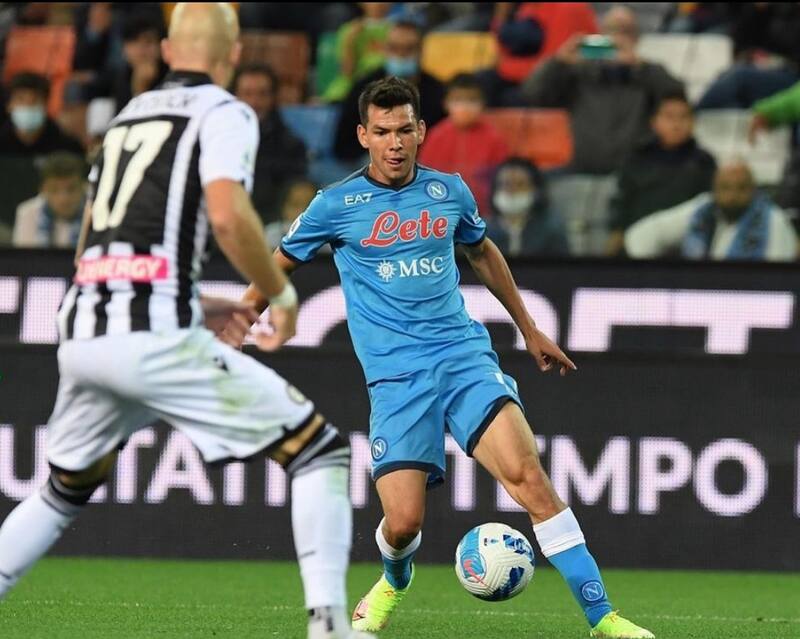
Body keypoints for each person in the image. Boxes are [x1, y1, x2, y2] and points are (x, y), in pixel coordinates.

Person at [228, 77, 655, 639]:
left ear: (422, 130)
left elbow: (482, 251)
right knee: (403, 524)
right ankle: (395, 579)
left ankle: (603, 618)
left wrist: (529, 328)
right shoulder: (335, 205)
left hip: (463, 359)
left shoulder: (448, 191)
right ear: (363, 135)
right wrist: (238, 324)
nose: (395, 142)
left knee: (530, 478)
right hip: (396, 378)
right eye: (383, 131)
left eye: (405, 129)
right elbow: (278, 263)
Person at [0, 6, 371, 639]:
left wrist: (197, 302)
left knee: (64, 489)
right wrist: (278, 292)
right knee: (320, 452)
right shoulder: (224, 112)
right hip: (150, 337)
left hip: (85, 326)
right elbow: (227, 215)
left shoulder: (126, 116)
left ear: (169, 50)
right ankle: (331, 629)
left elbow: (94, 245)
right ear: (233, 54)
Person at [520, 5, 684, 174]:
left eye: (626, 31)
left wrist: (640, 67)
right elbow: (533, 94)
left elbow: (678, 98)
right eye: (612, 30)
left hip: (632, 174)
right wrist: (558, 62)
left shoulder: (647, 74)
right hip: (582, 169)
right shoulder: (579, 72)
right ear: (600, 35)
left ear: (636, 39)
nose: (617, 38)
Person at [607, 92, 716, 256]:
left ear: (693, 122)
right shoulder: (637, 158)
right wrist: (617, 232)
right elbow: (622, 200)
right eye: (669, 117)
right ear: (654, 122)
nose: (677, 124)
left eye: (683, 117)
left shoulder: (704, 162)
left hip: (687, 246)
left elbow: (707, 208)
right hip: (637, 244)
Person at [625, 160, 798, 261]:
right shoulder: (703, 208)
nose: (733, 195)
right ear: (714, 189)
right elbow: (641, 234)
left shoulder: (774, 220)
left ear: (754, 190)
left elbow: (778, 272)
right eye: (725, 187)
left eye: (742, 188)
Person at [333, 19, 445, 162]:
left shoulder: (437, 92)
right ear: (385, 49)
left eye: (409, 49)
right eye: (394, 48)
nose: (401, 54)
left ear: (421, 51)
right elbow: (343, 145)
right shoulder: (363, 88)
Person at [418, 73, 509, 214]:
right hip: (440, 211)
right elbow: (423, 177)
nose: (465, 106)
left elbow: (502, 178)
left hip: (483, 212)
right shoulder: (436, 136)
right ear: (446, 103)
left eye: (472, 100)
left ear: (483, 103)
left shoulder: (494, 138)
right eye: (458, 99)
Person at [476, 2, 598, 107]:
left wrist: (507, 67)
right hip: (528, 73)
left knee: (510, 98)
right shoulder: (528, 7)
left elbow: (554, 61)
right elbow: (504, 46)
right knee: (483, 82)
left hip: (555, 81)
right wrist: (502, 12)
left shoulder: (569, 7)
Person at [232, 63, 309, 223]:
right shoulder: (218, 141)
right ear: (235, 97)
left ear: (273, 97)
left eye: (262, 94)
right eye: (247, 94)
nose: (254, 102)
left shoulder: (291, 146)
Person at [486, 157, 569, 257]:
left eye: (520, 184)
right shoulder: (482, 232)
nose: (511, 190)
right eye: (505, 184)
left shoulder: (551, 232)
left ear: (535, 190)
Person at [0, 72, 84, 158]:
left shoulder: (68, 147)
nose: (28, 105)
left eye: (35, 100)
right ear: (8, 106)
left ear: (46, 104)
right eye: (21, 99)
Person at [13, 152, 87, 248]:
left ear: (84, 187)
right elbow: (22, 256)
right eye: (54, 189)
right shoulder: (27, 213)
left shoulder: (95, 212)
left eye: (71, 189)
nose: (63, 198)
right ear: (43, 190)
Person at [266, 179, 319, 249]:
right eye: (295, 204)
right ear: (284, 208)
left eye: (308, 205)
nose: (301, 211)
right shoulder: (272, 235)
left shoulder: (329, 237)